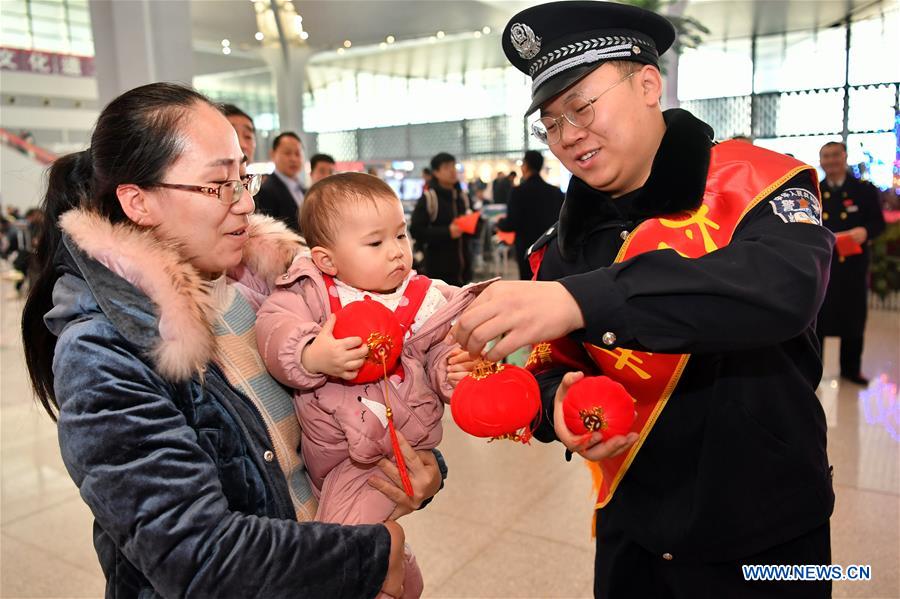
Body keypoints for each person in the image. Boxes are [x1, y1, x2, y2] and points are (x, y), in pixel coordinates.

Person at [453, 2, 835, 597]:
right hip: (632, 529)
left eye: (581, 105)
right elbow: (554, 365)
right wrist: (557, 405)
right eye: (550, 122)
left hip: (770, 532)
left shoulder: (758, 183)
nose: (568, 134)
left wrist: (585, 300)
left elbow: (782, 290)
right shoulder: (561, 248)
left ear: (649, 84)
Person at [21, 82, 443, 598]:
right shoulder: (104, 351)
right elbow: (195, 556)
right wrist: (372, 556)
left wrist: (418, 467)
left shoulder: (278, 285)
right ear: (138, 201)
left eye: (244, 177)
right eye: (219, 185)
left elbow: (354, 408)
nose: (245, 204)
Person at [256, 172, 482, 598]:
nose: (397, 252)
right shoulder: (312, 291)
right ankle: (398, 567)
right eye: (376, 243)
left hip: (394, 443)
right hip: (336, 443)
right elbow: (274, 326)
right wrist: (310, 355)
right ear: (326, 260)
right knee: (353, 534)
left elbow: (436, 349)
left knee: (340, 541)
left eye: (400, 235)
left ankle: (391, 571)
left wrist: (450, 371)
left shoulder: (421, 297)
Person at [816, 141, 886, 385]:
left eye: (835, 155)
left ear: (844, 157)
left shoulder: (864, 190)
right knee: (818, 317)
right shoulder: (815, 190)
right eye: (826, 156)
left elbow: (878, 224)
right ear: (821, 161)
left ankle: (851, 368)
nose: (831, 161)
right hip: (823, 265)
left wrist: (865, 231)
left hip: (853, 267)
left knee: (853, 317)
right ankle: (814, 369)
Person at [496, 150, 564, 279]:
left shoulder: (517, 192)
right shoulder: (555, 192)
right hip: (551, 247)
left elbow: (512, 223)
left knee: (529, 282)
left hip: (527, 248)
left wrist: (500, 223)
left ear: (525, 166)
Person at [410, 152, 474, 286]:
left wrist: (472, 226)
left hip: (464, 269)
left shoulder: (462, 197)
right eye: (446, 167)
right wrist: (447, 232)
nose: (452, 171)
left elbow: (474, 228)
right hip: (438, 273)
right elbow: (416, 230)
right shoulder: (429, 198)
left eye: (453, 166)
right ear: (436, 172)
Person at [256, 131, 305, 233]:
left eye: (297, 154)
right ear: (273, 154)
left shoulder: (303, 189)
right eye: (287, 153)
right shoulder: (266, 190)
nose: (293, 159)